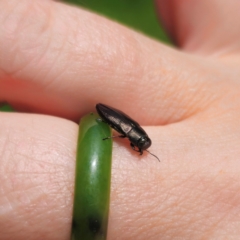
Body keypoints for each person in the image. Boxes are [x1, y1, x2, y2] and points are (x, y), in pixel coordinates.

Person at [1, 0, 240, 239]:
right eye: (140, 145)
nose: (139, 147)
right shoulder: (128, 135)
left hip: (117, 120)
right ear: (139, 138)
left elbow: (128, 135)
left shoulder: (133, 135)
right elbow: (123, 133)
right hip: (112, 117)